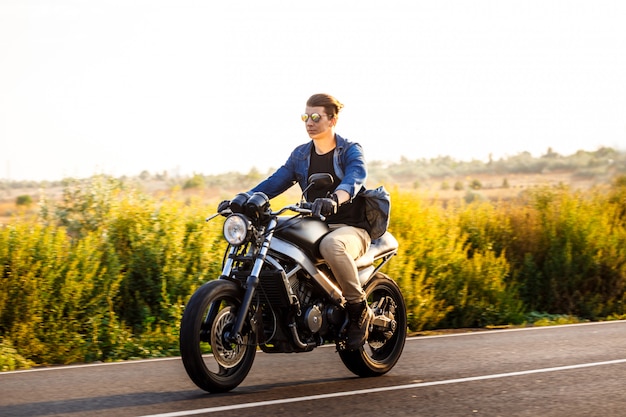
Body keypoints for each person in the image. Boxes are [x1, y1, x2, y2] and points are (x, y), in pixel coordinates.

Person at [219, 93, 373, 350]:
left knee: (332, 246)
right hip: (316, 224)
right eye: (306, 117)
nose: (309, 122)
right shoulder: (301, 155)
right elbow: (274, 182)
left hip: (350, 228)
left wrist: (336, 198)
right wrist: (244, 200)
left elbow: (354, 179)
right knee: (272, 236)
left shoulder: (350, 150)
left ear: (332, 120)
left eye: (316, 117)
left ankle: (359, 309)